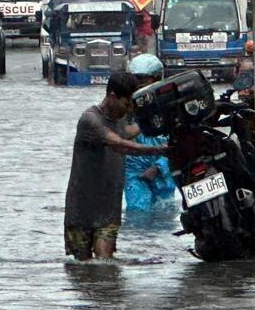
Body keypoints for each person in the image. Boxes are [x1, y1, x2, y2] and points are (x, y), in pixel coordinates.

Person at [63, 72, 166, 261]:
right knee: (82, 270)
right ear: (112, 96)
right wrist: (160, 150)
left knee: (105, 266)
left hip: (108, 211)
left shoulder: (119, 121)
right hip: (81, 211)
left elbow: (130, 133)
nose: (127, 111)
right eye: (126, 104)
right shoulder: (90, 120)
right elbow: (120, 144)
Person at [124, 55, 176, 212]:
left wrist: (158, 167)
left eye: (143, 79)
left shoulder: (169, 105)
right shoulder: (125, 106)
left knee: (165, 210)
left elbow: (177, 141)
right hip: (134, 171)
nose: (139, 85)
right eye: (135, 80)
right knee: (137, 211)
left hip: (162, 169)